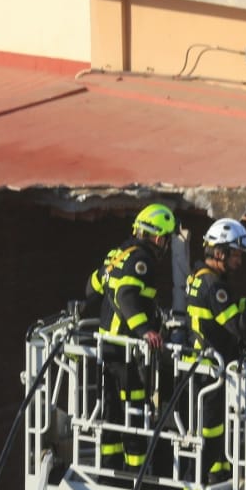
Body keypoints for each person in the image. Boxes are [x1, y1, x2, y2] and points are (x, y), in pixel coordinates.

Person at [182, 218, 246, 486]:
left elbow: (229, 308)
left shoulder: (202, 278)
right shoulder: (213, 286)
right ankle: (195, 487)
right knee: (212, 434)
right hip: (211, 371)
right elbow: (238, 326)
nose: (239, 261)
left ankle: (217, 477)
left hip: (206, 367)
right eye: (236, 255)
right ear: (220, 253)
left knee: (217, 432)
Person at [86, 202, 177, 472]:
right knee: (134, 414)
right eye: (167, 240)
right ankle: (135, 473)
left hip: (107, 350)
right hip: (126, 352)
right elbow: (126, 297)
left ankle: (110, 470)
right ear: (159, 237)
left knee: (111, 414)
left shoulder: (116, 255)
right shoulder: (142, 260)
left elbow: (91, 288)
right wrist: (145, 331)